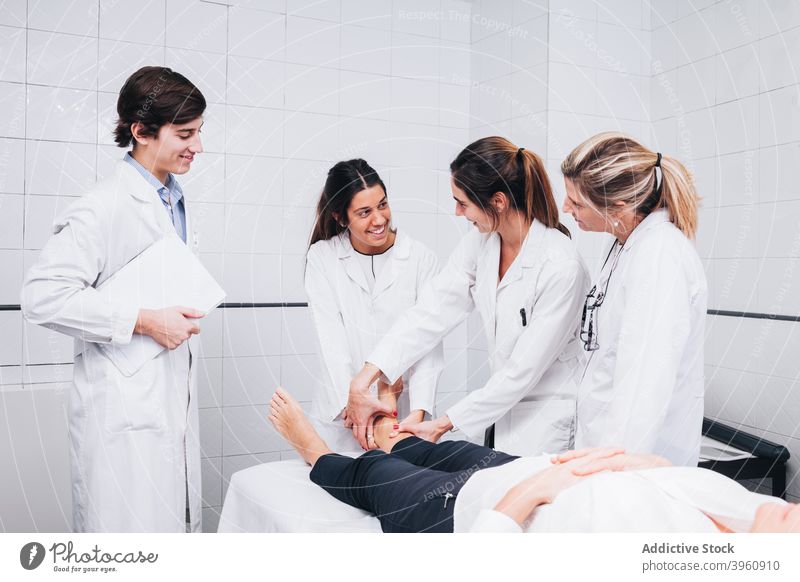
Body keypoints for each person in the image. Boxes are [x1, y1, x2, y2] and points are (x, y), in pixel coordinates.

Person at [20, 66, 207, 532]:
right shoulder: (103, 206)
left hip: (165, 405)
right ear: (141, 131)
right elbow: (41, 297)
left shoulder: (174, 200)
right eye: (185, 133)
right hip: (123, 413)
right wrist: (143, 320)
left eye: (199, 133)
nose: (197, 147)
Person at [267, 387, 794, 534]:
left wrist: (535, 492)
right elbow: (666, 478)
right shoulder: (746, 510)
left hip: (483, 506)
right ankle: (386, 431)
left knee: (377, 475)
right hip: (522, 465)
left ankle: (314, 451)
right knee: (428, 449)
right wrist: (643, 463)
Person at [347, 137, 589, 456]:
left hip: (548, 424)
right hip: (501, 416)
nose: (458, 212)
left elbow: (522, 371)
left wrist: (444, 423)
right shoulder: (482, 245)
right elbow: (430, 312)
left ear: (498, 202)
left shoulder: (561, 266)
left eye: (463, 202)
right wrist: (365, 378)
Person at [560, 132, 707, 466]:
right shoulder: (626, 246)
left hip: (633, 462)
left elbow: (644, 385)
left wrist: (609, 468)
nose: (566, 208)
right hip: (603, 450)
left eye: (577, 202)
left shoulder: (659, 256)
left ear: (618, 207)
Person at [305, 159, 443, 452]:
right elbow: (330, 341)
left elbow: (428, 344)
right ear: (341, 218)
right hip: (343, 419)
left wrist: (416, 415)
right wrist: (355, 408)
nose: (379, 219)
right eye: (364, 212)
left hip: (401, 418)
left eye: (383, 205)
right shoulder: (323, 258)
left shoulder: (420, 258)